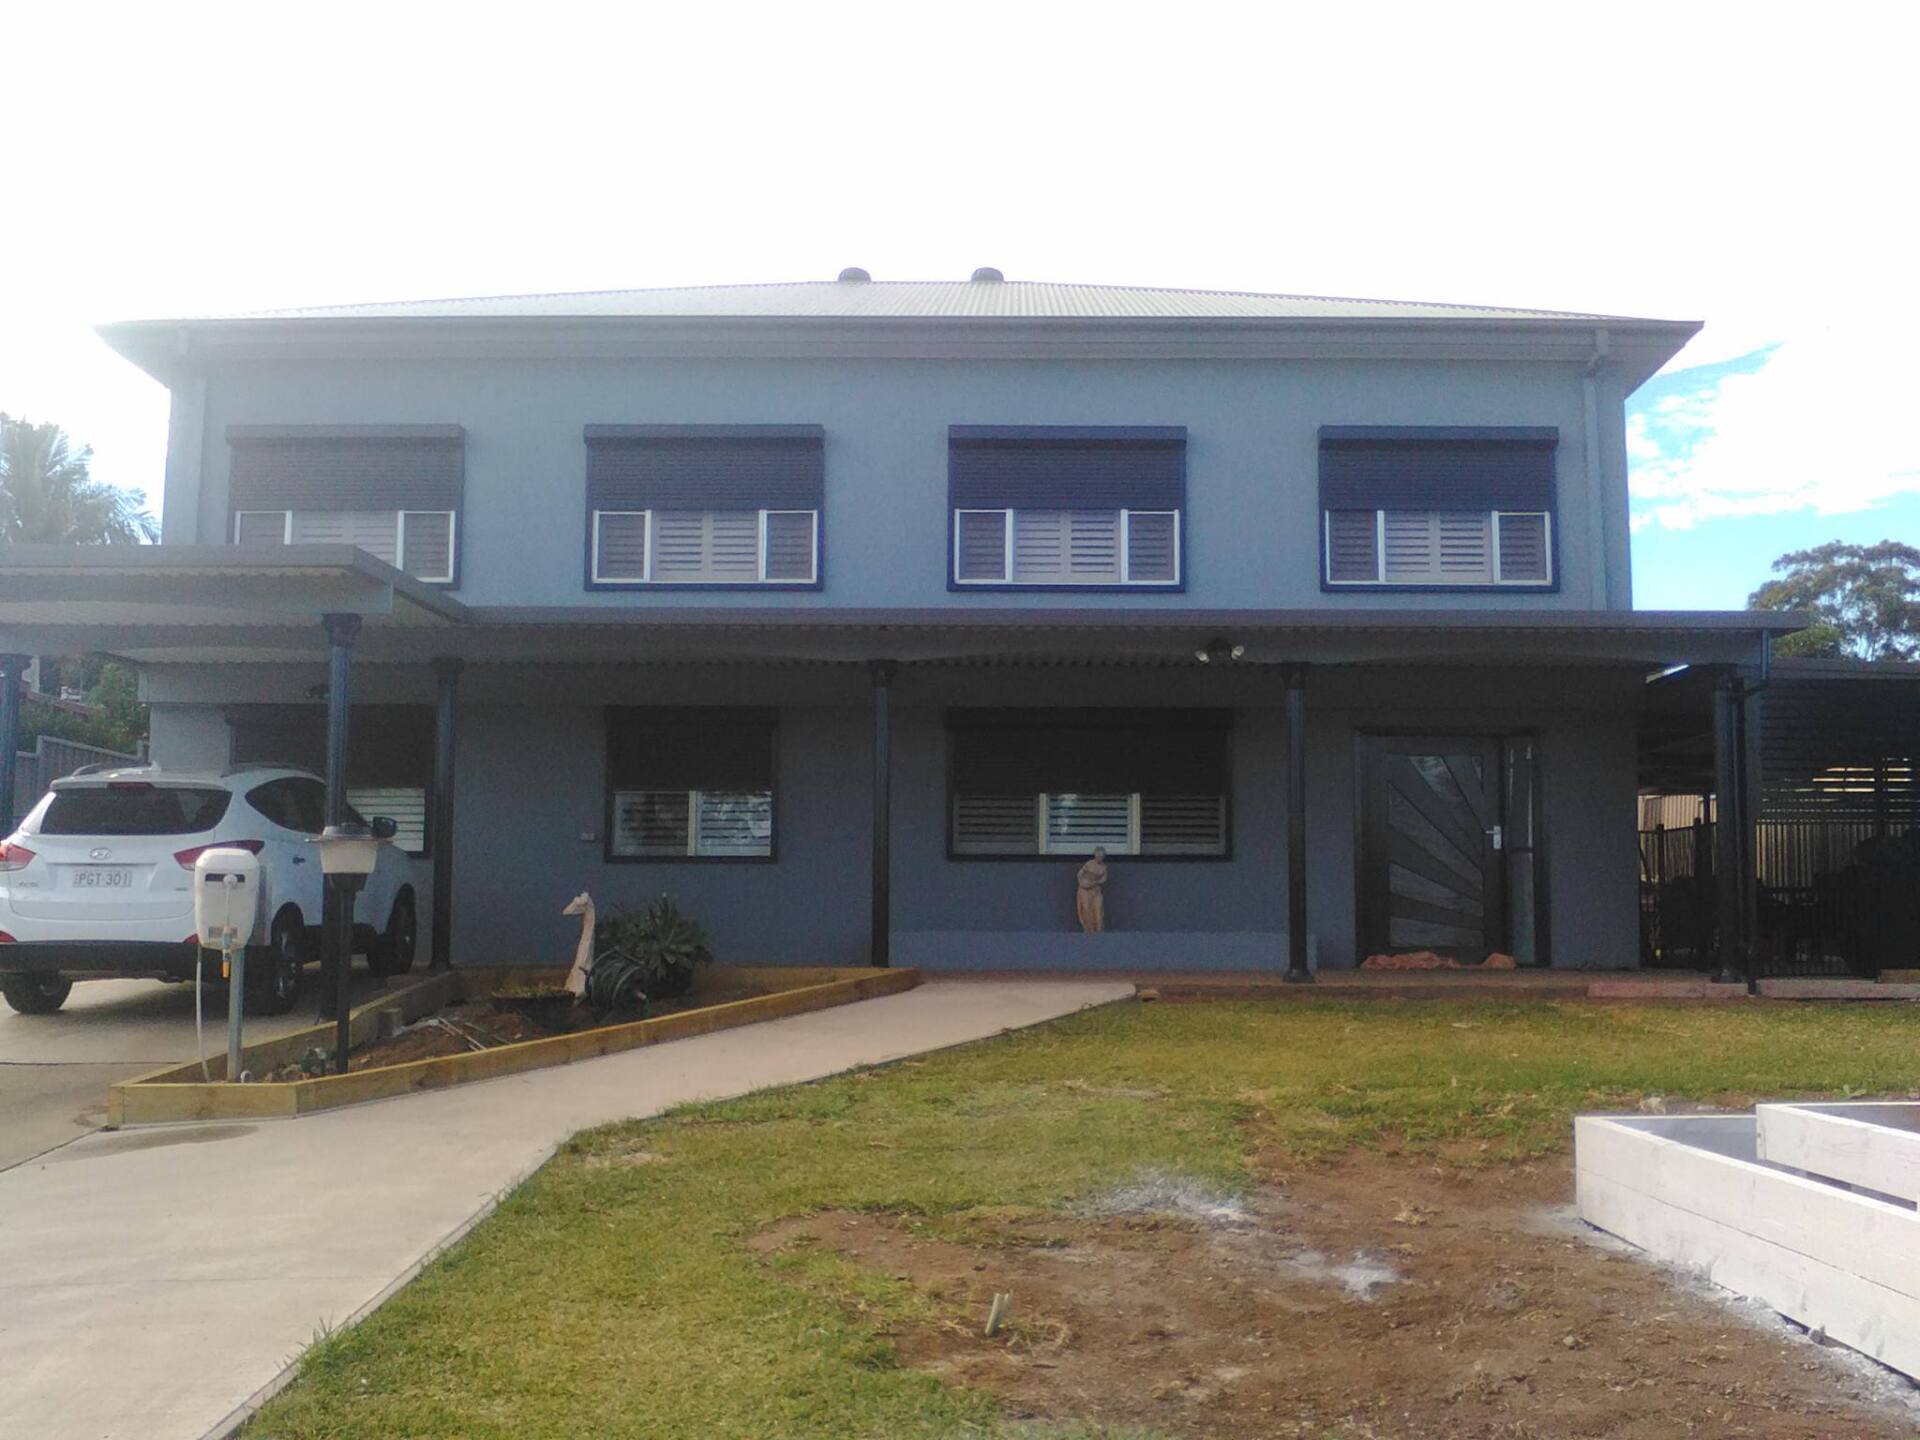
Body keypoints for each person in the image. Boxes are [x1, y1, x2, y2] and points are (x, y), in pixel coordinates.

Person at [1076, 846, 1109, 933]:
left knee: (1098, 910)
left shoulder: (1103, 868)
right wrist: (1083, 883)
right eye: (1098, 856)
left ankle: (1098, 930)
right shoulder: (1089, 864)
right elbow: (1080, 874)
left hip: (1095, 890)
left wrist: (1095, 882)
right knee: (1086, 909)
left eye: (1101, 856)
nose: (1099, 858)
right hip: (1085, 890)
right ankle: (1089, 930)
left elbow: (1104, 879)